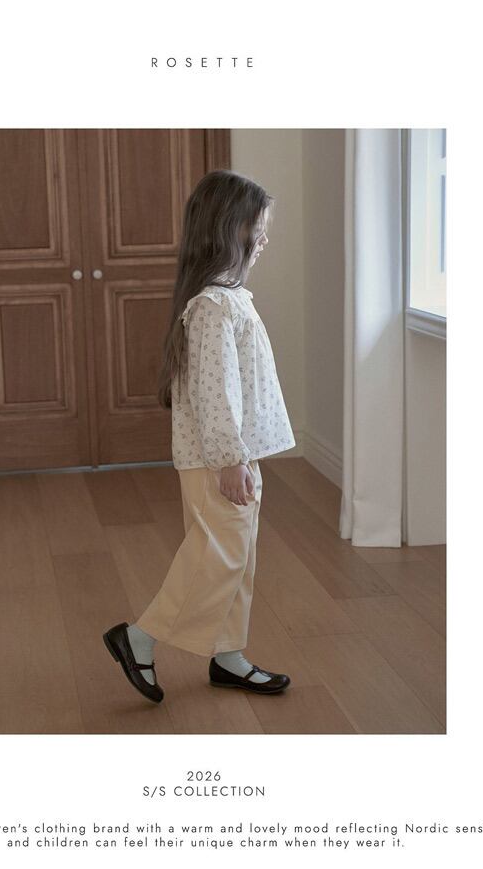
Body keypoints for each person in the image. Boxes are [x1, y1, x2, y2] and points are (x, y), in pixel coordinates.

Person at [103, 170, 296, 703]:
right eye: (256, 227)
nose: (264, 238)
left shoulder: (231, 298)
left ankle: (228, 655)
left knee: (239, 556)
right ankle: (138, 638)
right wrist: (230, 459)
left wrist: (241, 456)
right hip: (219, 458)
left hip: (237, 454)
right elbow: (216, 393)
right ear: (228, 229)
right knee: (218, 556)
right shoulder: (212, 307)